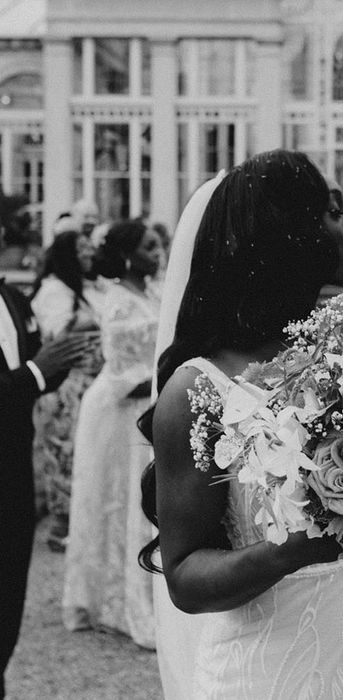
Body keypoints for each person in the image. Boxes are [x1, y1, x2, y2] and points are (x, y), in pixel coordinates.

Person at [141, 151, 343, 699]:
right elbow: (184, 577)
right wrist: (287, 551)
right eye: (333, 211)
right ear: (288, 235)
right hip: (266, 673)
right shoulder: (200, 388)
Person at [61, 220, 163, 647]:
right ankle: (112, 602)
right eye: (150, 246)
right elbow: (122, 371)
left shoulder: (153, 293)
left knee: (138, 500)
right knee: (115, 498)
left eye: (159, 245)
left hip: (145, 405)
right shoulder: (118, 301)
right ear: (127, 254)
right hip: (120, 407)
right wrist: (167, 384)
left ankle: (142, 598)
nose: (158, 253)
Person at [0, 279, 89, 699]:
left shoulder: (13, 297)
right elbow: (29, 374)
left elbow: (34, 366)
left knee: (9, 588)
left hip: (15, 471)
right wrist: (37, 372)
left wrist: (62, 357)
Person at [30, 230, 104, 550]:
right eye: (82, 249)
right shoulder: (53, 291)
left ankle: (78, 525)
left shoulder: (84, 288)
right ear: (67, 255)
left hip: (85, 386)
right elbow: (57, 336)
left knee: (81, 455)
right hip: (63, 388)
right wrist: (87, 322)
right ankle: (60, 529)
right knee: (63, 456)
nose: (89, 253)